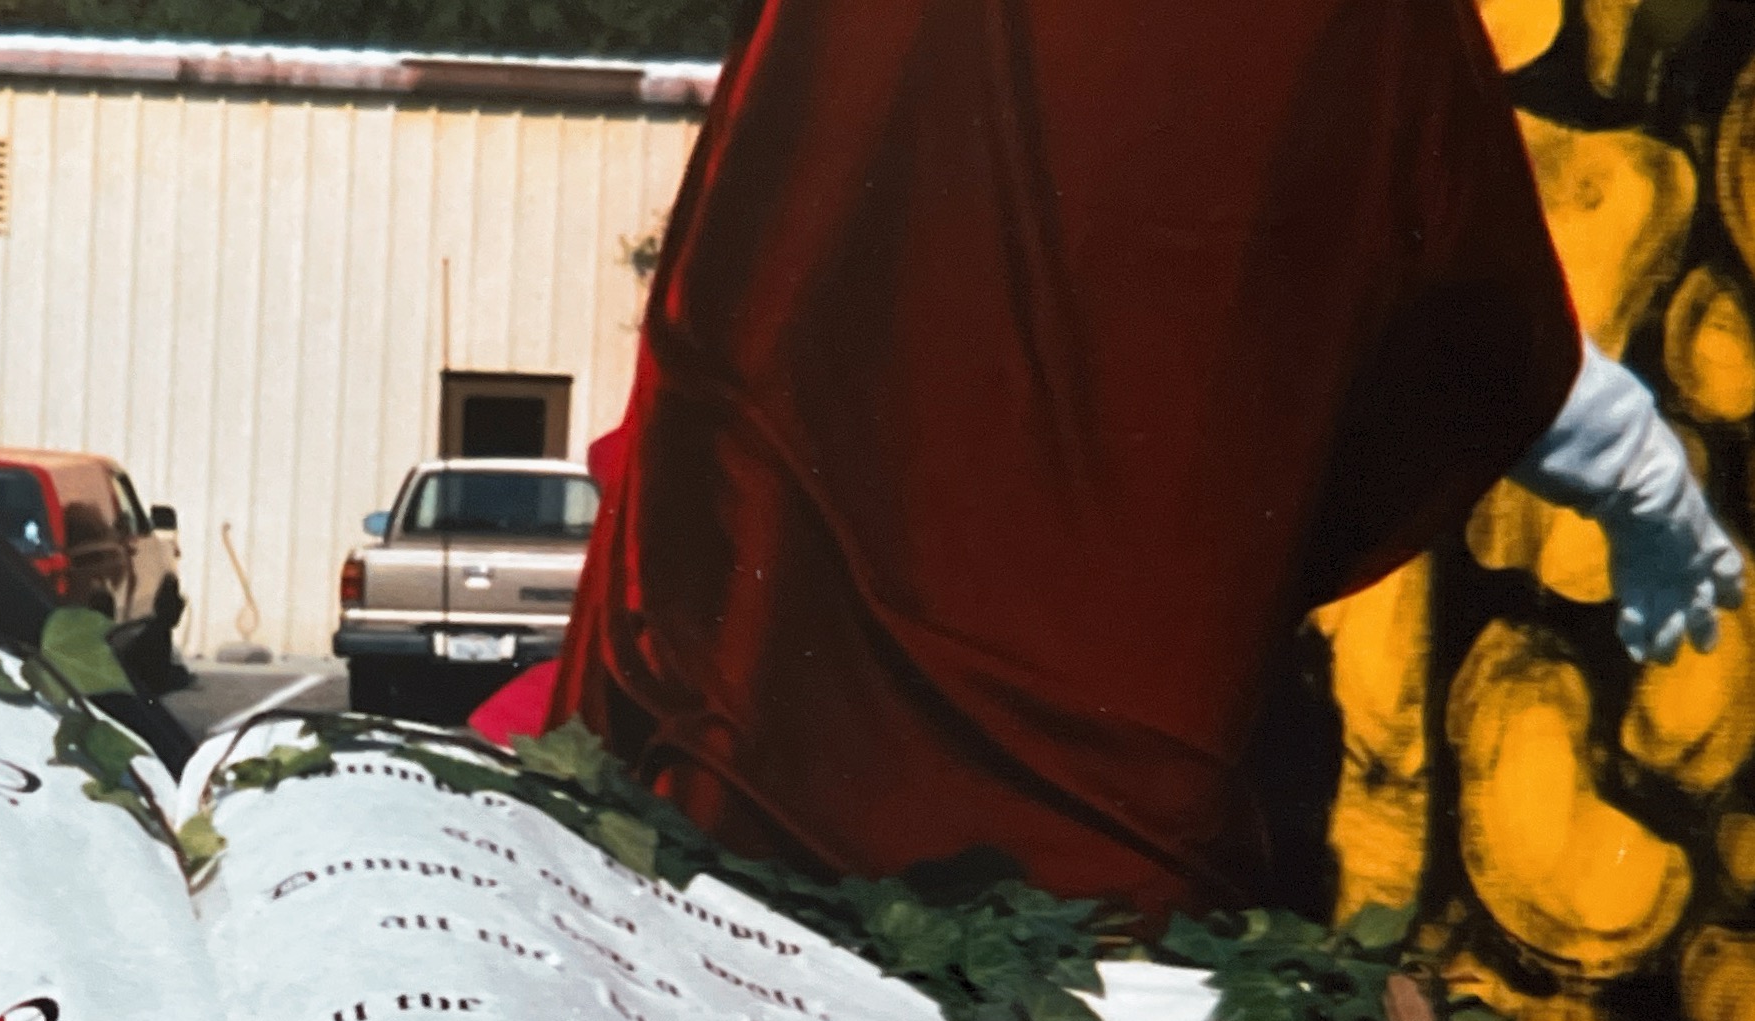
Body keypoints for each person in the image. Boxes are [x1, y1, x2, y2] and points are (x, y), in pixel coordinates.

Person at [548, 0, 1743, 922]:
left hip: (754, 763)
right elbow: (1460, 294)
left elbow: (736, 284)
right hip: (1085, 852)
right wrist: (1631, 466)